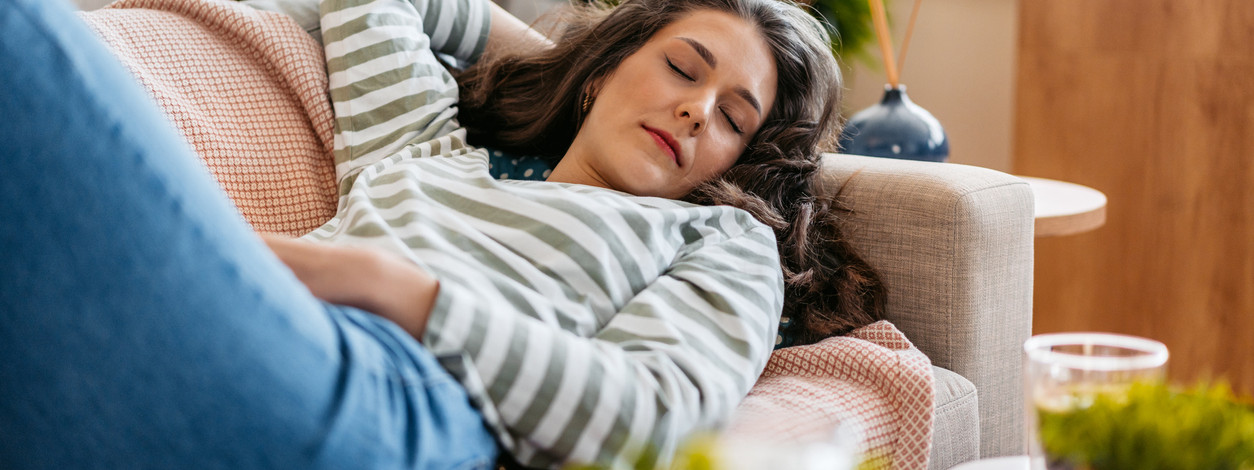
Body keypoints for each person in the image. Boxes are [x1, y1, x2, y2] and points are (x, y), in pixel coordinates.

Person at [0, 0, 882, 469]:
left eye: (732, 116)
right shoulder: (422, 146)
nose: (695, 107)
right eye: (682, 67)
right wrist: (553, 52)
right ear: (603, 74)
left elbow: (647, 423)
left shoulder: (717, 243)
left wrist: (390, 288)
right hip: (261, 350)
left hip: (409, 411)